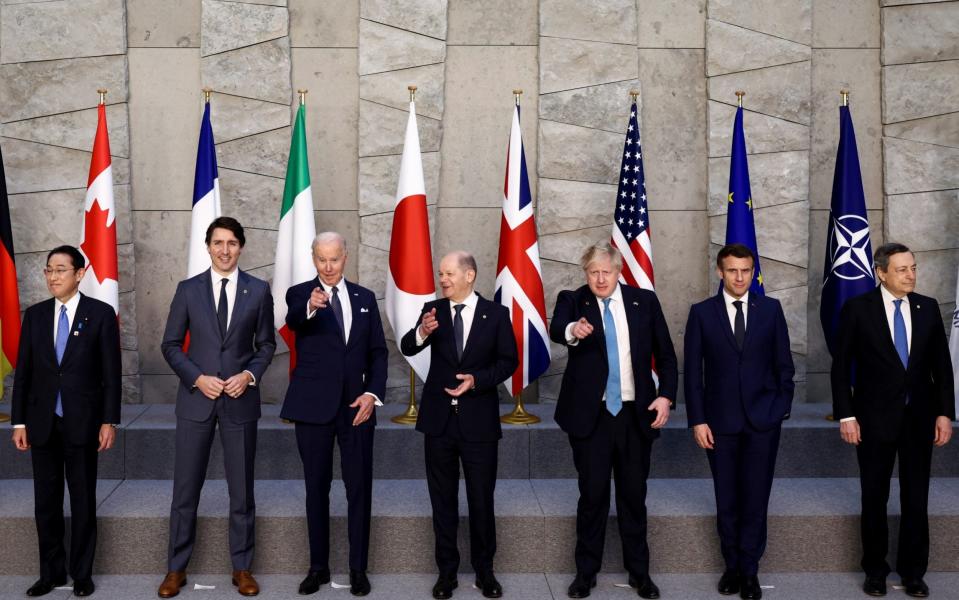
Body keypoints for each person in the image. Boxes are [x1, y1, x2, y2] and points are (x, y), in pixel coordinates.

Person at [549, 242, 677, 600]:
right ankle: (584, 574)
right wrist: (576, 329)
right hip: (593, 418)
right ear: (585, 273)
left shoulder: (644, 302)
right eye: (593, 272)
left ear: (619, 272)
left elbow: (666, 355)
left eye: (606, 272)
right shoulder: (573, 299)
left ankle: (640, 574)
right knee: (592, 497)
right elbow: (559, 328)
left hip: (636, 416)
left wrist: (665, 396)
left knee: (634, 497)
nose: (600, 278)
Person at [157, 217, 276, 598]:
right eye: (218, 243)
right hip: (197, 401)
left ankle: (242, 568)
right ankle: (176, 569)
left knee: (242, 491)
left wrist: (249, 376)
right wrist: (197, 378)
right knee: (185, 490)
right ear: (208, 246)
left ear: (241, 247)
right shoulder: (188, 290)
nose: (225, 250)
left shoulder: (258, 290)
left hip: (240, 402)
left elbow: (267, 345)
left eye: (232, 243)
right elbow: (171, 344)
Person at [832, 242, 954, 598]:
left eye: (913, 268)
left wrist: (945, 412)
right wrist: (846, 415)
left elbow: (942, 368)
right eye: (902, 269)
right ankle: (875, 570)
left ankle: (914, 572)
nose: (910, 275)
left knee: (917, 497)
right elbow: (840, 368)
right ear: (881, 273)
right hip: (872, 419)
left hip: (919, 418)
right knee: (874, 496)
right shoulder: (857, 309)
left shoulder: (928, 308)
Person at [400, 251, 517, 600]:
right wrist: (422, 330)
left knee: (481, 501)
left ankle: (485, 573)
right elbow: (408, 345)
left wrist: (477, 380)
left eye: (449, 273)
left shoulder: (496, 315)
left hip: (479, 424)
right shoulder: (433, 311)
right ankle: (446, 574)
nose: (443, 279)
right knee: (442, 502)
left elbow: (508, 361)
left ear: (469, 275)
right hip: (439, 423)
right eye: (440, 274)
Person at [684, 243, 795, 600]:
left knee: (756, 498)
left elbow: (784, 367)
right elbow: (693, 375)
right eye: (732, 270)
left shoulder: (771, 310)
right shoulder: (702, 313)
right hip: (719, 423)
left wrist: (779, 409)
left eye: (745, 270)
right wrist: (698, 420)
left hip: (763, 422)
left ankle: (750, 570)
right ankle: (731, 566)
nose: (739, 277)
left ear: (753, 271)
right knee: (727, 497)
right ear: (720, 272)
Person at [279, 232, 387, 597]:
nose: (328, 267)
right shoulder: (300, 294)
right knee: (316, 489)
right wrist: (311, 305)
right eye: (321, 259)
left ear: (346, 257)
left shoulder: (366, 298)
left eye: (334, 259)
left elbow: (378, 354)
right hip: (313, 409)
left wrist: (372, 394)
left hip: (357, 408)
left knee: (359, 489)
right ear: (313, 258)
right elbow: (294, 321)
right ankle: (318, 567)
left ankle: (358, 568)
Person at [11, 245, 121, 598]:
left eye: (60, 269)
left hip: (83, 422)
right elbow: (24, 373)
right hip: (41, 423)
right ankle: (51, 573)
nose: (53, 277)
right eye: (48, 270)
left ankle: (82, 574)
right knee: (46, 502)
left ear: (79, 273)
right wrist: (18, 423)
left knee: (83, 498)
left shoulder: (100, 314)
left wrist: (109, 421)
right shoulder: (36, 315)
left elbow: (111, 374)